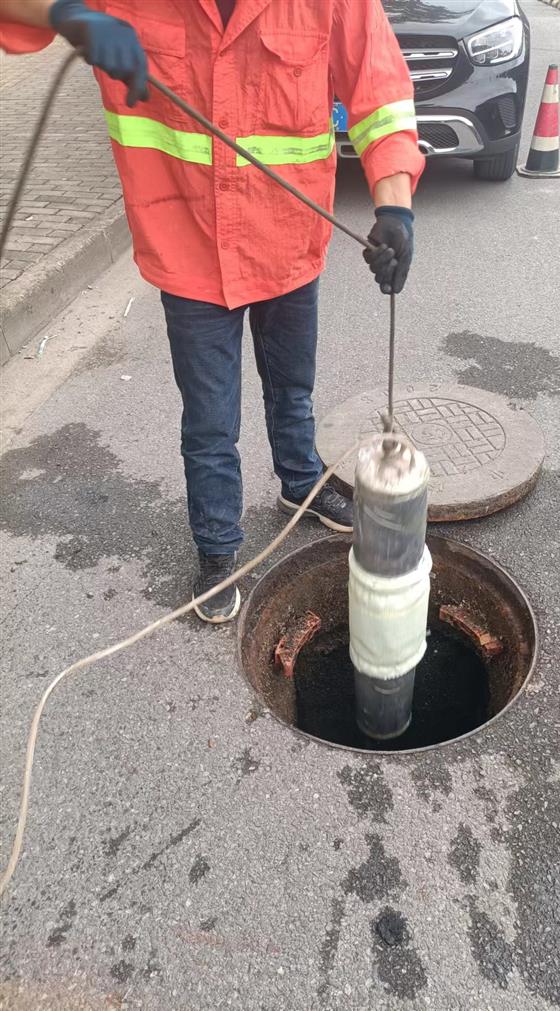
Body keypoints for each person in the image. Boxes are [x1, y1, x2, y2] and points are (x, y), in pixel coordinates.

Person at [0, 0, 424, 622]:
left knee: (291, 388)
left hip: (287, 235)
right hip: (188, 240)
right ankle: (218, 549)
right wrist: (66, 13)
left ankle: (300, 484)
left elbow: (378, 89)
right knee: (209, 420)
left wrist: (395, 207)